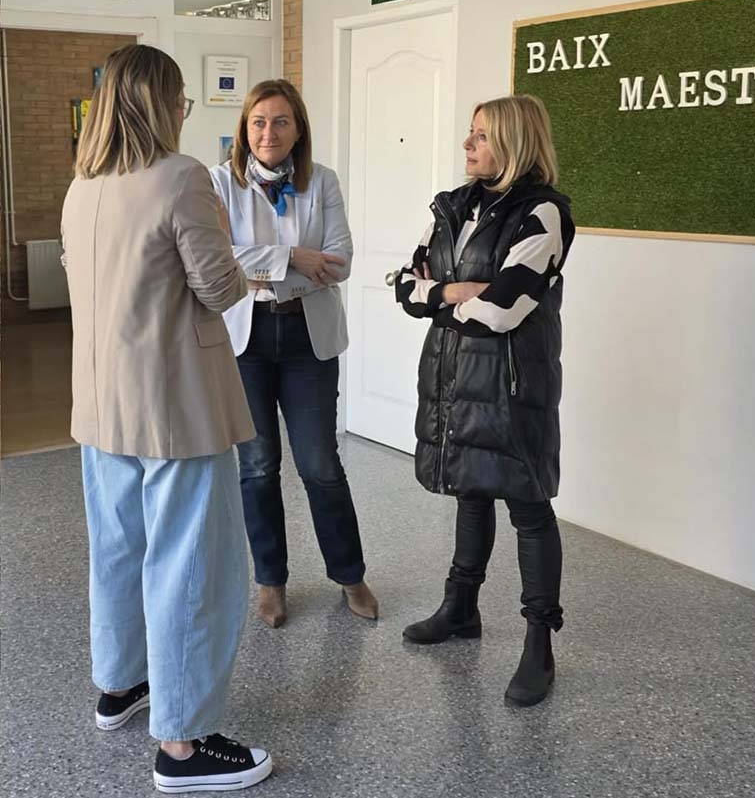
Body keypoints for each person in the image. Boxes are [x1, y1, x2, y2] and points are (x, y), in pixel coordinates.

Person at [61, 44, 273, 793]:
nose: (184, 110)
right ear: (160, 102)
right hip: (175, 402)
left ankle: (120, 684)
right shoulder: (182, 177)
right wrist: (239, 257)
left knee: (118, 548)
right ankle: (182, 744)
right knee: (192, 566)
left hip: (102, 402)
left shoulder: (83, 185)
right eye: (179, 98)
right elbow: (217, 289)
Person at [395, 94, 575, 706]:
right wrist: (455, 290)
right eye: (469, 133)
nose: (467, 145)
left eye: (481, 136)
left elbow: (503, 310)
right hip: (452, 375)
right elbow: (405, 288)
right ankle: (461, 609)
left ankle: (539, 643)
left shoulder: (544, 213)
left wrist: (444, 296)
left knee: (528, 505)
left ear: (515, 143)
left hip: (513, 382)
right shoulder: (451, 206)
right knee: (470, 490)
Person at [210, 79, 377, 628]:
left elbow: (341, 260)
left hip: (309, 338)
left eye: (281, 121)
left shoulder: (322, 180)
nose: (269, 133)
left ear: (299, 129)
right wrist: (294, 259)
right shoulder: (219, 183)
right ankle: (271, 582)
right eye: (258, 122)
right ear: (244, 129)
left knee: (320, 464)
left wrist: (267, 266)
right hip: (246, 340)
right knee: (258, 466)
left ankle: (350, 575)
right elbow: (217, 259)